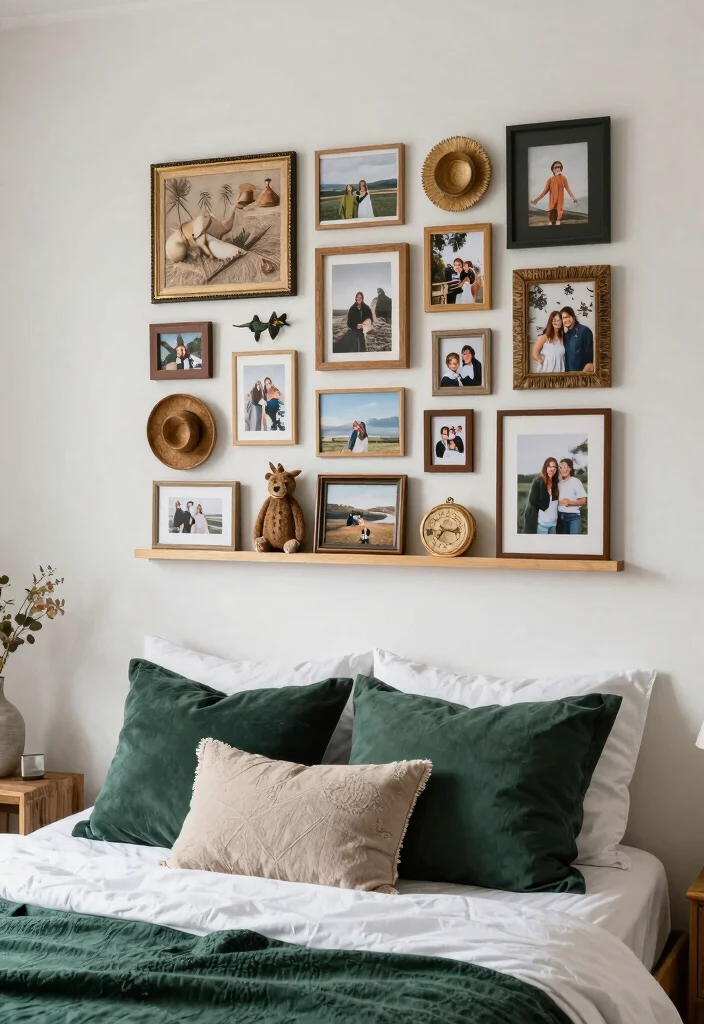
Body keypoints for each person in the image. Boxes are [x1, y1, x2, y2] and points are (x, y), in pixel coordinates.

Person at [531, 159, 578, 226]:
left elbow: (568, 189)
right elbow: (544, 192)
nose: (558, 168)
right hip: (552, 202)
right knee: (552, 216)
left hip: (560, 201)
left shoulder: (563, 178)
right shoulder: (550, 180)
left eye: (559, 167)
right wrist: (536, 200)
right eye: (556, 167)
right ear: (553, 169)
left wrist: (573, 198)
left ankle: (558, 222)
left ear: (561, 169)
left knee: (559, 214)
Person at [523, 457, 559, 534]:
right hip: (542, 524)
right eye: (549, 466)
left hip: (553, 524)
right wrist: (544, 507)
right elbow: (532, 500)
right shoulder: (538, 481)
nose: (551, 469)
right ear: (545, 468)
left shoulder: (556, 483)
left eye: (554, 467)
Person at [557, 458, 587, 535]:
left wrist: (570, 502)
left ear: (570, 468)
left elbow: (583, 501)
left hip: (573, 518)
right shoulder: (558, 484)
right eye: (561, 467)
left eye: (566, 467)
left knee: (575, 543)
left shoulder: (576, 482)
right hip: (560, 518)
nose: (564, 470)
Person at [561, 306, 594, 373]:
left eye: (568, 316)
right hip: (568, 375)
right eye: (563, 318)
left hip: (582, 374)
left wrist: (584, 373)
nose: (566, 320)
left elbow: (590, 355)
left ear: (573, 316)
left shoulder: (584, 330)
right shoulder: (566, 335)